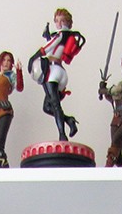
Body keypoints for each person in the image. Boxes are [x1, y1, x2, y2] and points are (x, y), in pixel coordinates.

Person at [28, 8, 85, 141]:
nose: (58, 23)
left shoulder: (59, 35)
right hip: (60, 72)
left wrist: (33, 57)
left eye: (61, 20)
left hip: (53, 71)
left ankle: (62, 135)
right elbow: (56, 48)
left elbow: (48, 48)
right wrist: (48, 36)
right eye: (57, 20)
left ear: (67, 22)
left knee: (55, 105)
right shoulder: (67, 35)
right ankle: (69, 120)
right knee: (47, 107)